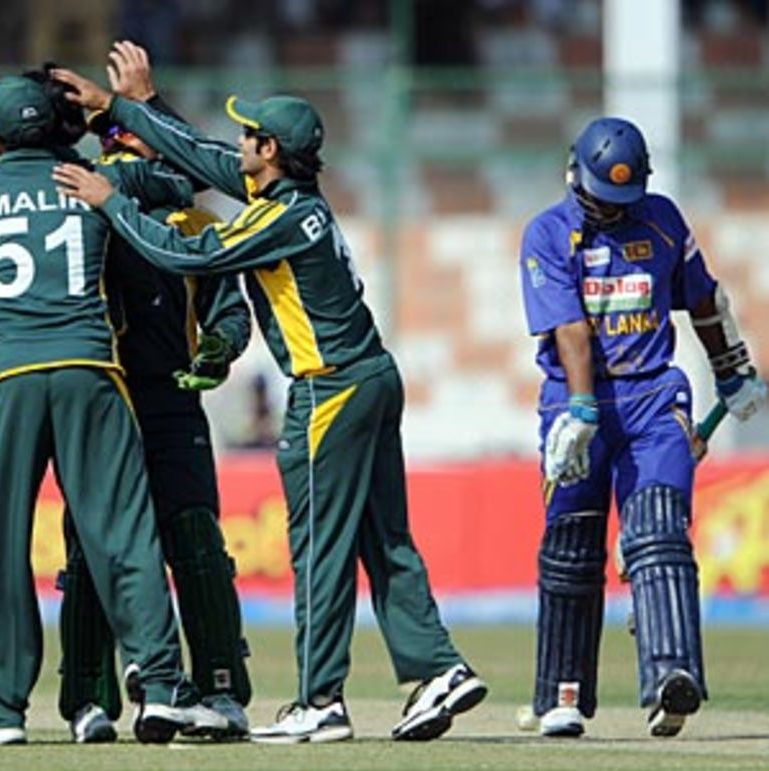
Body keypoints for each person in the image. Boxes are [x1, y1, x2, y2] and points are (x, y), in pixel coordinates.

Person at [52, 40, 487, 744]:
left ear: (271, 150)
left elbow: (183, 253)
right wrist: (130, 105)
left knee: (318, 545)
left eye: (249, 134)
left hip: (332, 389)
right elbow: (200, 156)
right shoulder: (290, 197)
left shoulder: (275, 219)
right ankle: (437, 668)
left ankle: (320, 699)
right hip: (375, 376)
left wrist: (109, 201)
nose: (239, 141)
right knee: (386, 538)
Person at [0, 68, 230, 745]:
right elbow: (190, 173)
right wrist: (133, 107)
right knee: (123, 530)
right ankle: (160, 685)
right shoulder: (95, 175)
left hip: (9, 377)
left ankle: (2, 711)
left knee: (1, 541)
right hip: (92, 368)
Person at [517, 116, 767, 738]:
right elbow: (569, 328)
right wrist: (578, 411)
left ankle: (670, 679)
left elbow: (704, 299)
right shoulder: (548, 233)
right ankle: (562, 696)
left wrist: (732, 370)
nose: (612, 210)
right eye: (603, 197)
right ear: (577, 175)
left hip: (654, 399)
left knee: (658, 534)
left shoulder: (661, 219)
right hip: (575, 404)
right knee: (572, 548)